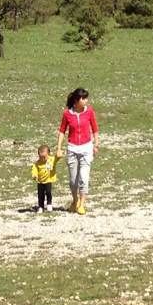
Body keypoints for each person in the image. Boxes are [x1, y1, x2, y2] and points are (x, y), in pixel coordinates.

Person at [56, 87, 98, 215]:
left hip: (86, 148)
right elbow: (62, 131)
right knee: (73, 180)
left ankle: (82, 203)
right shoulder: (67, 114)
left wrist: (96, 144)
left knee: (83, 179)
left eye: (86, 98)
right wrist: (58, 148)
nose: (86, 101)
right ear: (77, 100)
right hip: (72, 148)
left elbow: (95, 129)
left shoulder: (90, 112)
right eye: (83, 98)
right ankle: (75, 201)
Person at [30, 143, 58, 213]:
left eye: (44, 157)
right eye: (40, 157)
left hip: (48, 180)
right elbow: (34, 169)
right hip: (40, 182)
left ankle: (49, 204)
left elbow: (57, 157)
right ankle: (41, 206)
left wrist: (59, 153)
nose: (42, 159)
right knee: (40, 195)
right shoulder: (37, 163)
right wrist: (34, 175)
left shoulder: (51, 160)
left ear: (48, 154)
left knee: (48, 192)